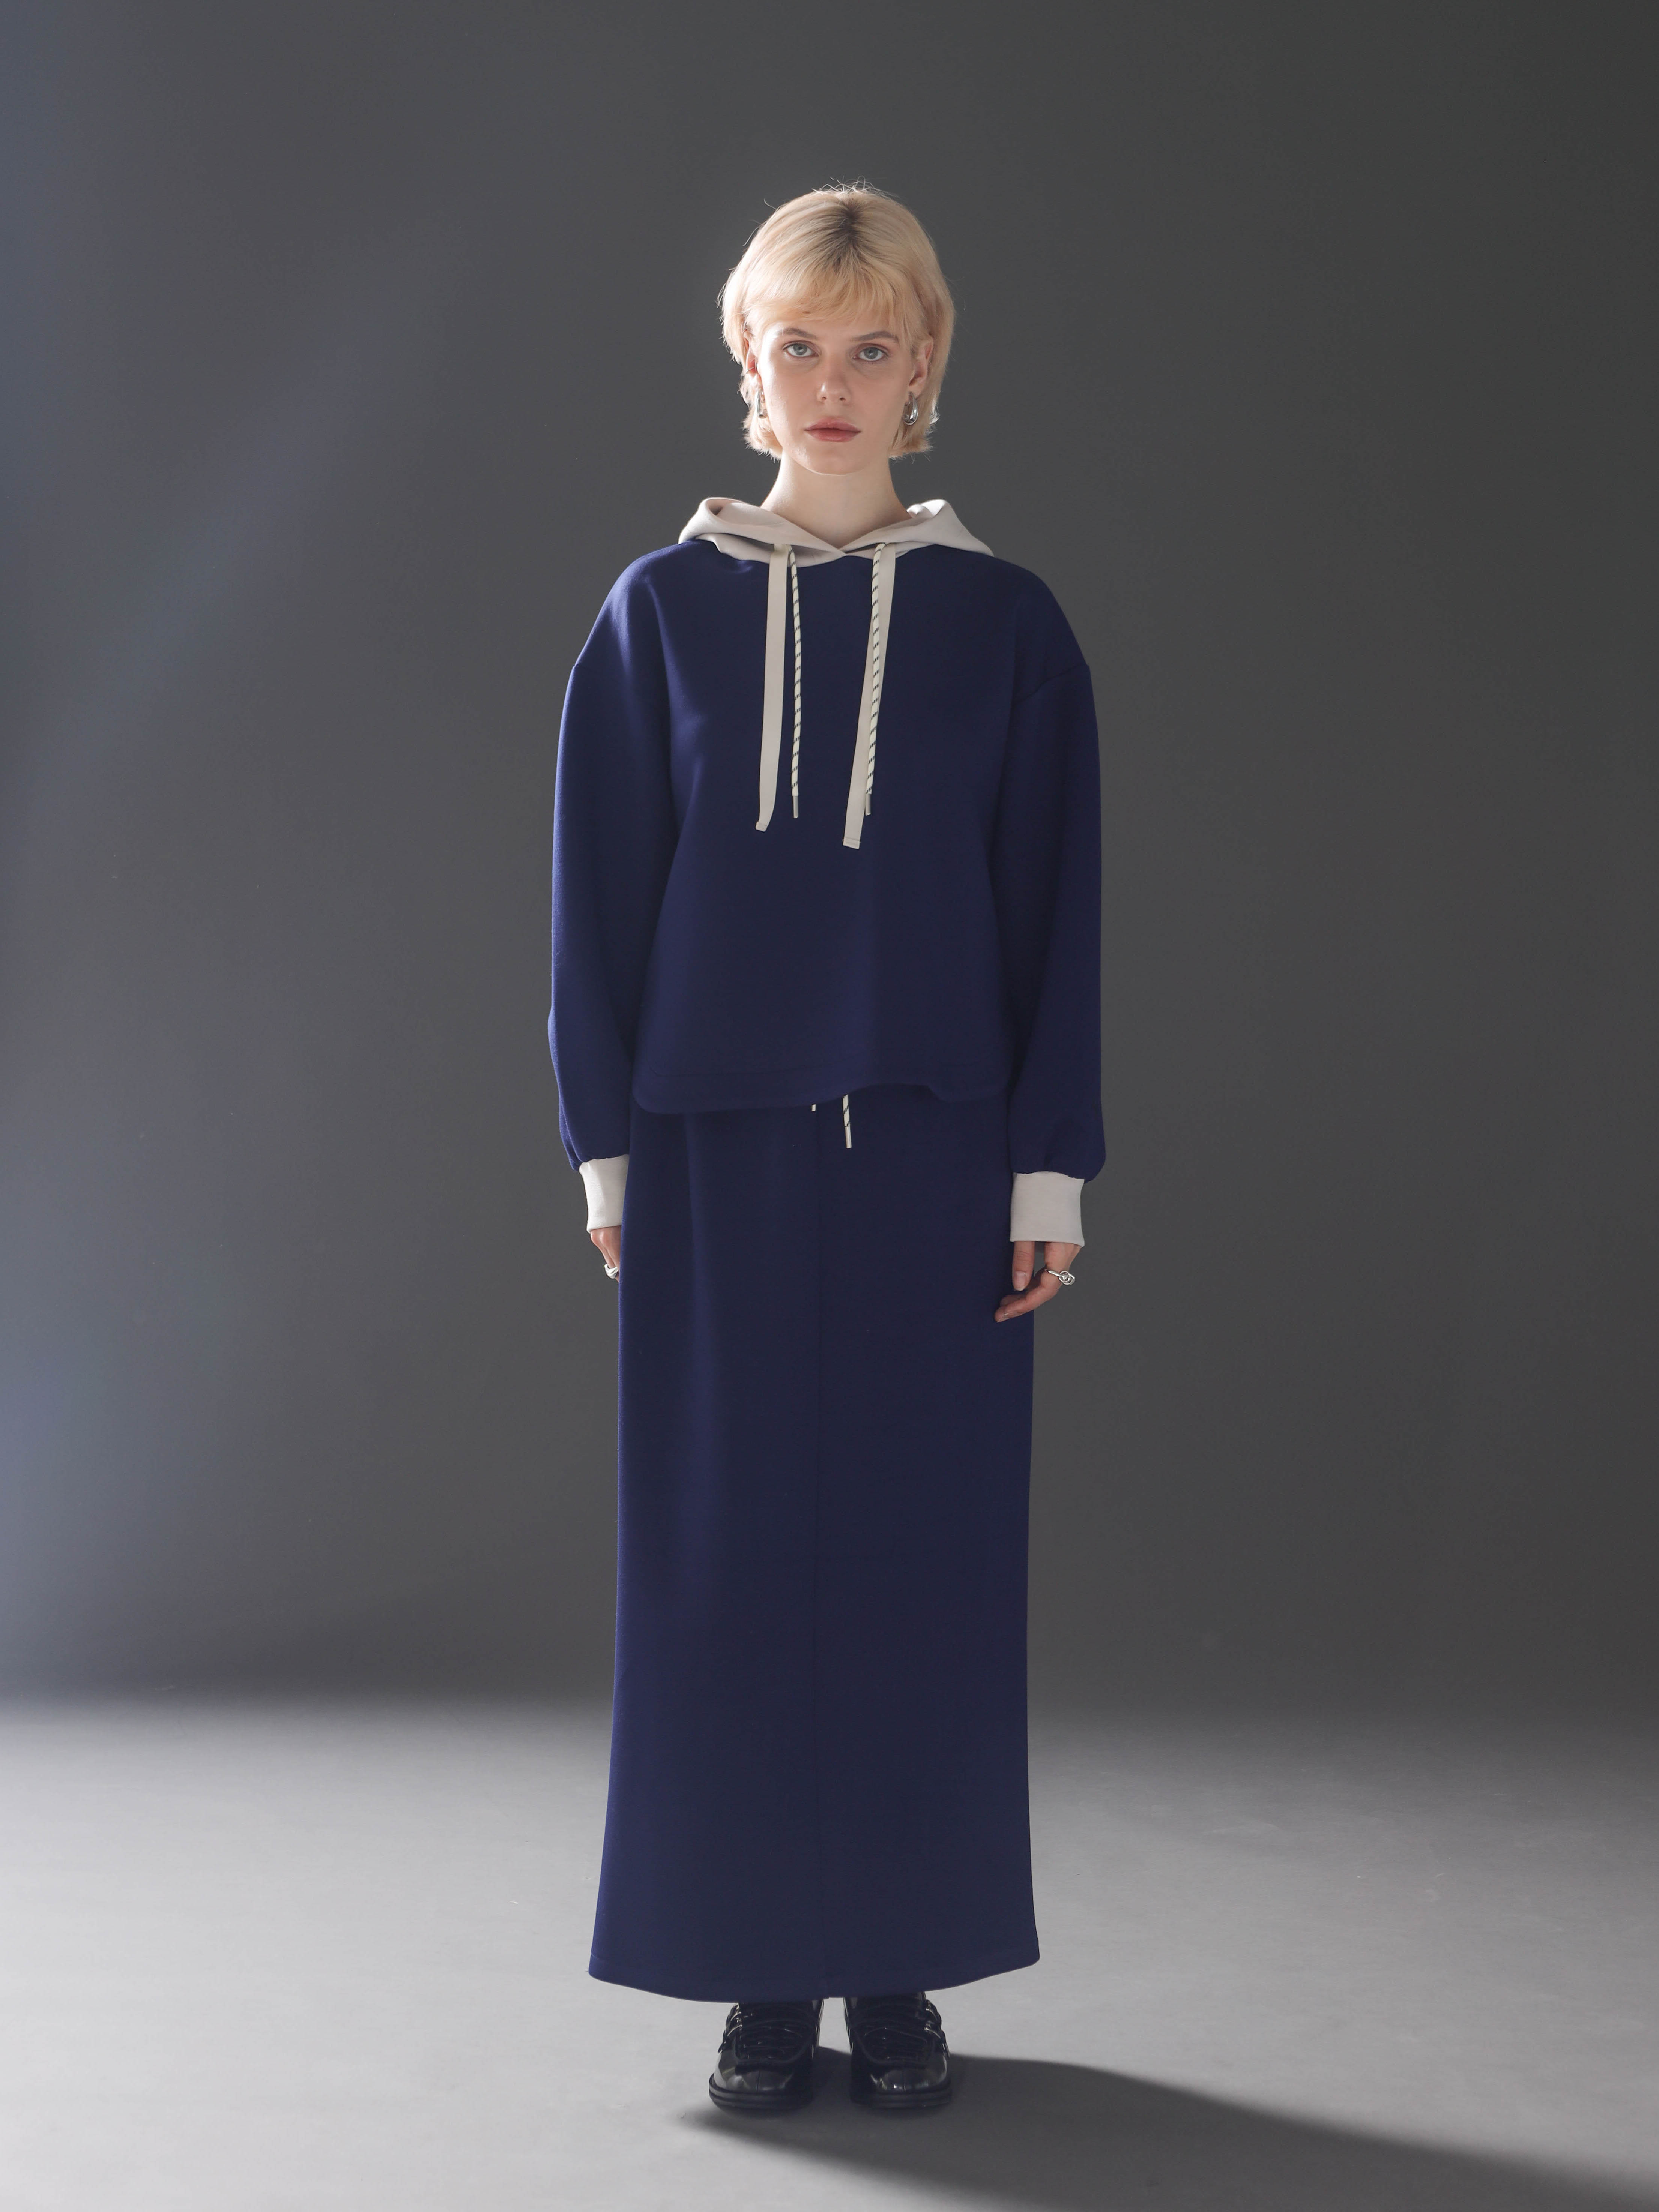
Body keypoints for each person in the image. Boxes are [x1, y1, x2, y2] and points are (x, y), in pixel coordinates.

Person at [549, 185, 1102, 2116]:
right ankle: (756, 1970)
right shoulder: (659, 614)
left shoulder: (1003, 627)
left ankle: (894, 1966)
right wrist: (605, 1158)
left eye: (871, 346)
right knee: (720, 1572)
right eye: (799, 344)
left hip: (938, 1158)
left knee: (916, 1572)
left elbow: (1053, 916)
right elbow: (598, 906)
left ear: (925, 362)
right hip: (709, 1155)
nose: (833, 383)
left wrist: (1047, 1167)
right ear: (747, 359)